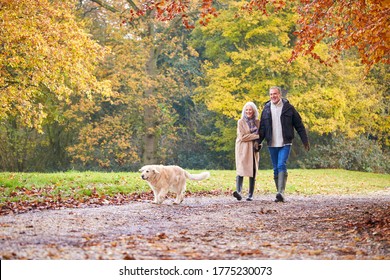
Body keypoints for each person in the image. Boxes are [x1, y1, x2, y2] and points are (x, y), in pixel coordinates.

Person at [258, 86, 310, 202]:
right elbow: (262, 129)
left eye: (275, 94)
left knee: (281, 164)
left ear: (280, 95)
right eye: (271, 94)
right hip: (271, 143)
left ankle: (281, 191)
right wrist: (258, 142)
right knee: (276, 168)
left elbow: (299, 125)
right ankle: (279, 194)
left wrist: (305, 140)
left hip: (285, 142)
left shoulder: (288, 108)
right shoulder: (266, 109)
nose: (273, 96)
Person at [233, 102, 261, 201]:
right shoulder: (240, 122)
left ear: (254, 111)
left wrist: (259, 142)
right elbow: (243, 137)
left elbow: (261, 136)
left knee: (252, 170)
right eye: (247, 110)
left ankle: (250, 194)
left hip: (253, 148)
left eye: (250, 110)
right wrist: (257, 136)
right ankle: (238, 192)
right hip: (243, 148)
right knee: (241, 169)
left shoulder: (258, 122)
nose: (248, 111)